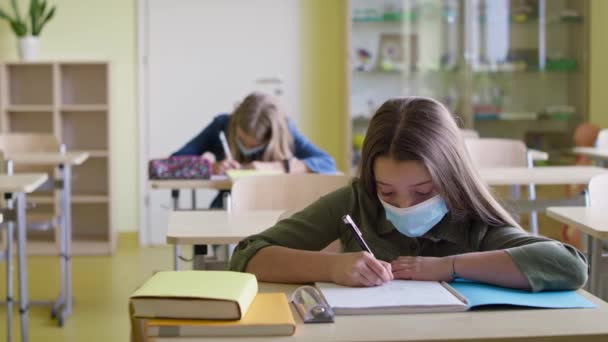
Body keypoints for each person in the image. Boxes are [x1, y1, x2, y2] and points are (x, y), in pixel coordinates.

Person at [230, 97, 587, 291]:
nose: (403, 205)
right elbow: (247, 255)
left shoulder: (472, 221)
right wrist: (332, 266)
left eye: (423, 192)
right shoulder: (357, 202)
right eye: (388, 191)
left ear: (451, 180)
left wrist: (448, 267)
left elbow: (568, 265)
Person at [172, 91, 337, 208]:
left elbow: (327, 164)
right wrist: (211, 167)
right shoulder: (222, 125)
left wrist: (279, 167)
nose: (247, 148)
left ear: (271, 137)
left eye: (255, 145)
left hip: (275, 203)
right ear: (235, 124)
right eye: (242, 140)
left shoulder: (286, 130)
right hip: (229, 202)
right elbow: (174, 162)